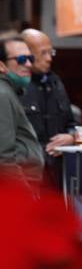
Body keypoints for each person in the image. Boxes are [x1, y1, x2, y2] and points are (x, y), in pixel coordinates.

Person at [20, 28, 76, 188]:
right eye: (43, 53)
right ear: (27, 54)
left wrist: (70, 137)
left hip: (55, 174)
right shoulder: (16, 85)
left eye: (51, 52)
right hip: (25, 173)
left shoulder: (56, 83)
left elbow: (70, 124)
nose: (49, 58)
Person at [0, 36, 44, 185]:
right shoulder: (2, 94)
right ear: (1, 65)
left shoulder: (8, 91)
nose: (29, 64)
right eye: (21, 59)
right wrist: (25, 195)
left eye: (30, 58)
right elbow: (4, 157)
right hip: (17, 190)